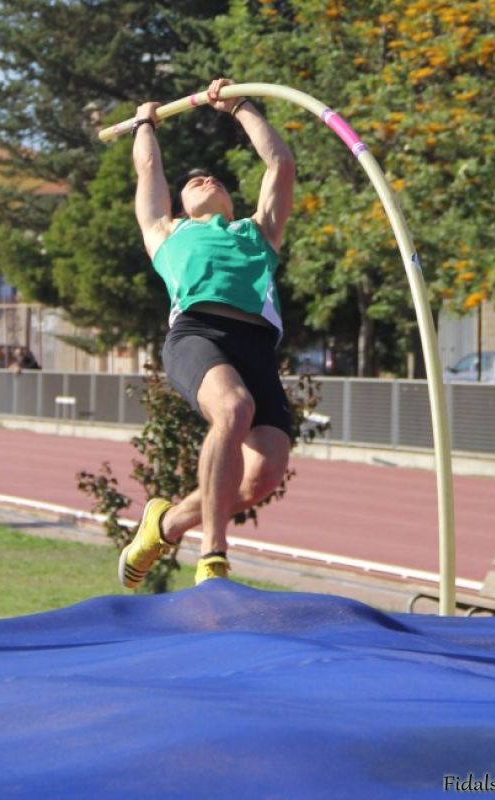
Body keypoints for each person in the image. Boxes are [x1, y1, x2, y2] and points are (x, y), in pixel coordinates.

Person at [119, 77, 296, 588]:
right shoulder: (166, 232)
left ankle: (165, 524)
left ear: (231, 203)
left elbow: (281, 165)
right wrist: (145, 122)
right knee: (233, 409)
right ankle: (213, 555)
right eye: (194, 181)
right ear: (179, 206)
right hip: (198, 335)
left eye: (213, 178)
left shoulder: (258, 232)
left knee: (262, 475)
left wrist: (240, 106)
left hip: (257, 347)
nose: (206, 178)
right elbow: (149, 169)